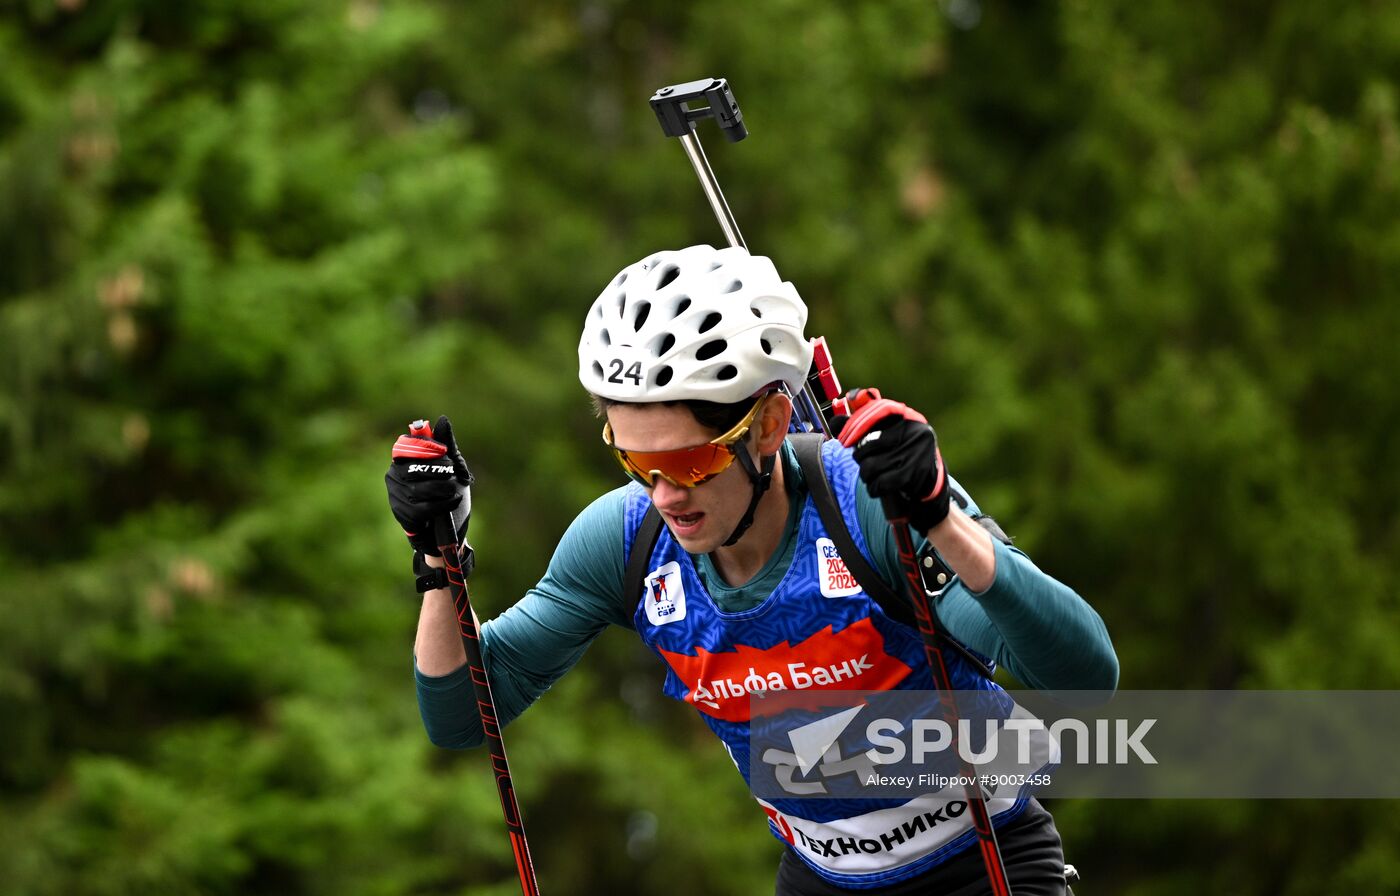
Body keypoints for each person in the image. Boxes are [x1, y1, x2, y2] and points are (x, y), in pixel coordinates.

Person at [386, 244, 1118, 895]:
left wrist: (937, 520)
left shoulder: (861, 505)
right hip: (821, 876)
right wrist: (435, 561)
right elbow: (461, 717)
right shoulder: (626, 540)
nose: (665, 494)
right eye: (636, 460)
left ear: (768, 425)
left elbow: (1085, 678)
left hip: (978, 861)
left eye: (689, 461)